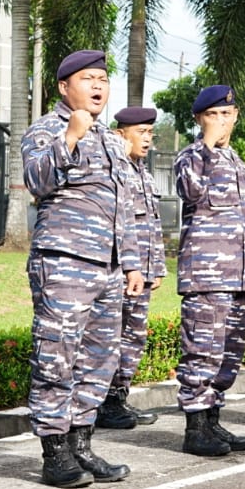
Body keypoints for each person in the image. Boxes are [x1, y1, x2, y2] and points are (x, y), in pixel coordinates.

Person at [23, 50, 144, 487]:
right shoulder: (46, 129)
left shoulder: (113, 140)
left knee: (98, 361)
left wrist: (131, 262)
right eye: (88, 78)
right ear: (63, 87)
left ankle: (81, 446)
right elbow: (36, 181)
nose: (98, 86)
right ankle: (54, 453)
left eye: (103, 79)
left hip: (108, 268)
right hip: (64, 262)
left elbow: (124, 207)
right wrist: (69, 139)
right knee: (57, 358)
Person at [174, 85, 245, 456]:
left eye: (226, 115)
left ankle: (212, 420)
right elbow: (190, 192)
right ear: (199, 119)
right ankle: (195, 428)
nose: (221, 122)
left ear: (236, 117)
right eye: (213, 115)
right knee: (202, 351)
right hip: (206, 275)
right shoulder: (191, 156)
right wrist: (207, 147)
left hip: (237, 274)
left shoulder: (237, 161)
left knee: (228, 353)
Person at [97, 106, 166, 430]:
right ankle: (104, 402)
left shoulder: (144, 173)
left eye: (150, 133)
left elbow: (152, 224)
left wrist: (158, 267)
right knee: (112, 337)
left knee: (133, 338)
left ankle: (118, 398)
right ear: (121, 134)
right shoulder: (117, 170)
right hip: (124, 270)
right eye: (141, 132)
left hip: (144, 272)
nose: (148, 139)